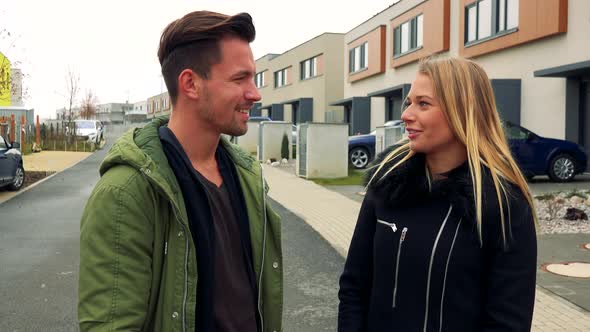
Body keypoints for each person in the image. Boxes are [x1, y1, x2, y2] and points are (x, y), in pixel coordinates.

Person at [78, 11, 283, 332]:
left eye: (253, 78)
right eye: (240, 78)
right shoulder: (126, 193)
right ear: (190, 84)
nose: (255, 93)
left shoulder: (246, 177)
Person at [338, 57, 537, 331]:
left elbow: (507, 322)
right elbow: (354, 287)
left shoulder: (502, 204)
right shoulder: (387, 182)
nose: (406, 114)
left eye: (423, 104)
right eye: (409, 102)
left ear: (462, 111)